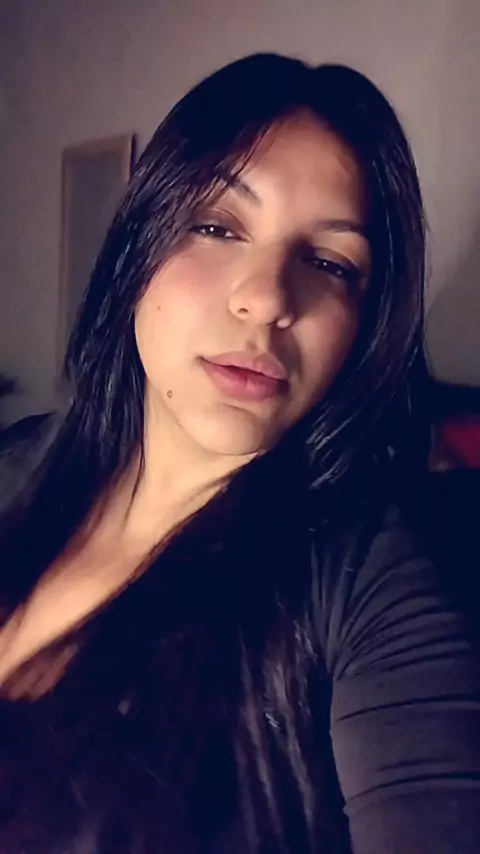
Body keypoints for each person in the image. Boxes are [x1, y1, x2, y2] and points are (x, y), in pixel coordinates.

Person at [0, 52, 479, 854]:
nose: (266, 299)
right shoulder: (18, 464)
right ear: (138, 246)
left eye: (329, 263)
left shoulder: (366, 578)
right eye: (218, 227)